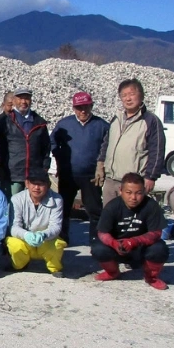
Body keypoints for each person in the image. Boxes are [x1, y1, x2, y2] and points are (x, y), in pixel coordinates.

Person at [91, 173, 169, 290]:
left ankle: (151, 277)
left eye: (138, 193)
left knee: (160, 248)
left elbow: (156, 233)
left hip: (141, 248)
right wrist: (114, 243)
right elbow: (102, 233)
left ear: (144, 191)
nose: (133, 197)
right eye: (129, 193)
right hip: (118, 248)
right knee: (98, 248)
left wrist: (133, 241)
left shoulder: (151, 206)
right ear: (121, 190)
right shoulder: (112, 206)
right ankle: (113, 272)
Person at [50, 91, 110, 244]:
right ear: (73, 108)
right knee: (63, 208)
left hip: (91, 175)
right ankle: (62, 238)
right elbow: (52, 142)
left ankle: (96, 240)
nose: (82, 111)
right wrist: (60, 157)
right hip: (68, 173)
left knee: (94, 209)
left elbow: (108, 147)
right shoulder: (64, 124)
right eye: (79, 107)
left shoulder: (102, 125)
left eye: (85, 107)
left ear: (91, 106)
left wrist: (101, 165)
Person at [97, 79, 166, 204]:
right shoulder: (116, 119)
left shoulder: (150, 121)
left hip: (134, 183)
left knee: (131, 219)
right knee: (109, 217)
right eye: (124, 95)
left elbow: (157, 151)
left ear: (141, 95)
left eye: (132, 94)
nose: (128, 99)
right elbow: (107, 143)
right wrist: (100, 164)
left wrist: (151, 177)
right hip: (111, 180)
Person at [6, 169, 66, 277]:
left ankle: (54, 268)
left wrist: (44, 235)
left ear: (48, 185)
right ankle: (20, 265)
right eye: (33, 183)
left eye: (41, 184)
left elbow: (56, 226)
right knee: (13, 243)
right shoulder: (16, 199)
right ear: (27, 184)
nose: (36, 188)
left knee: (57, 244)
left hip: (46, 240)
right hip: (25, 239)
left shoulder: (57, 199)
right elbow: (14, 227)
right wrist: (26, 234)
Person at [0, 88, 51, 199]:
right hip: (13, 174)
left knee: (33, 206)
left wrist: (45, 167)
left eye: (27, 98)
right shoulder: (4, 122)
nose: (24, 102)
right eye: (20, 98)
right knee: (13, 206)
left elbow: (46, 147)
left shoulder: (40, 122)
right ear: (14, 100)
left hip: (34, 175)